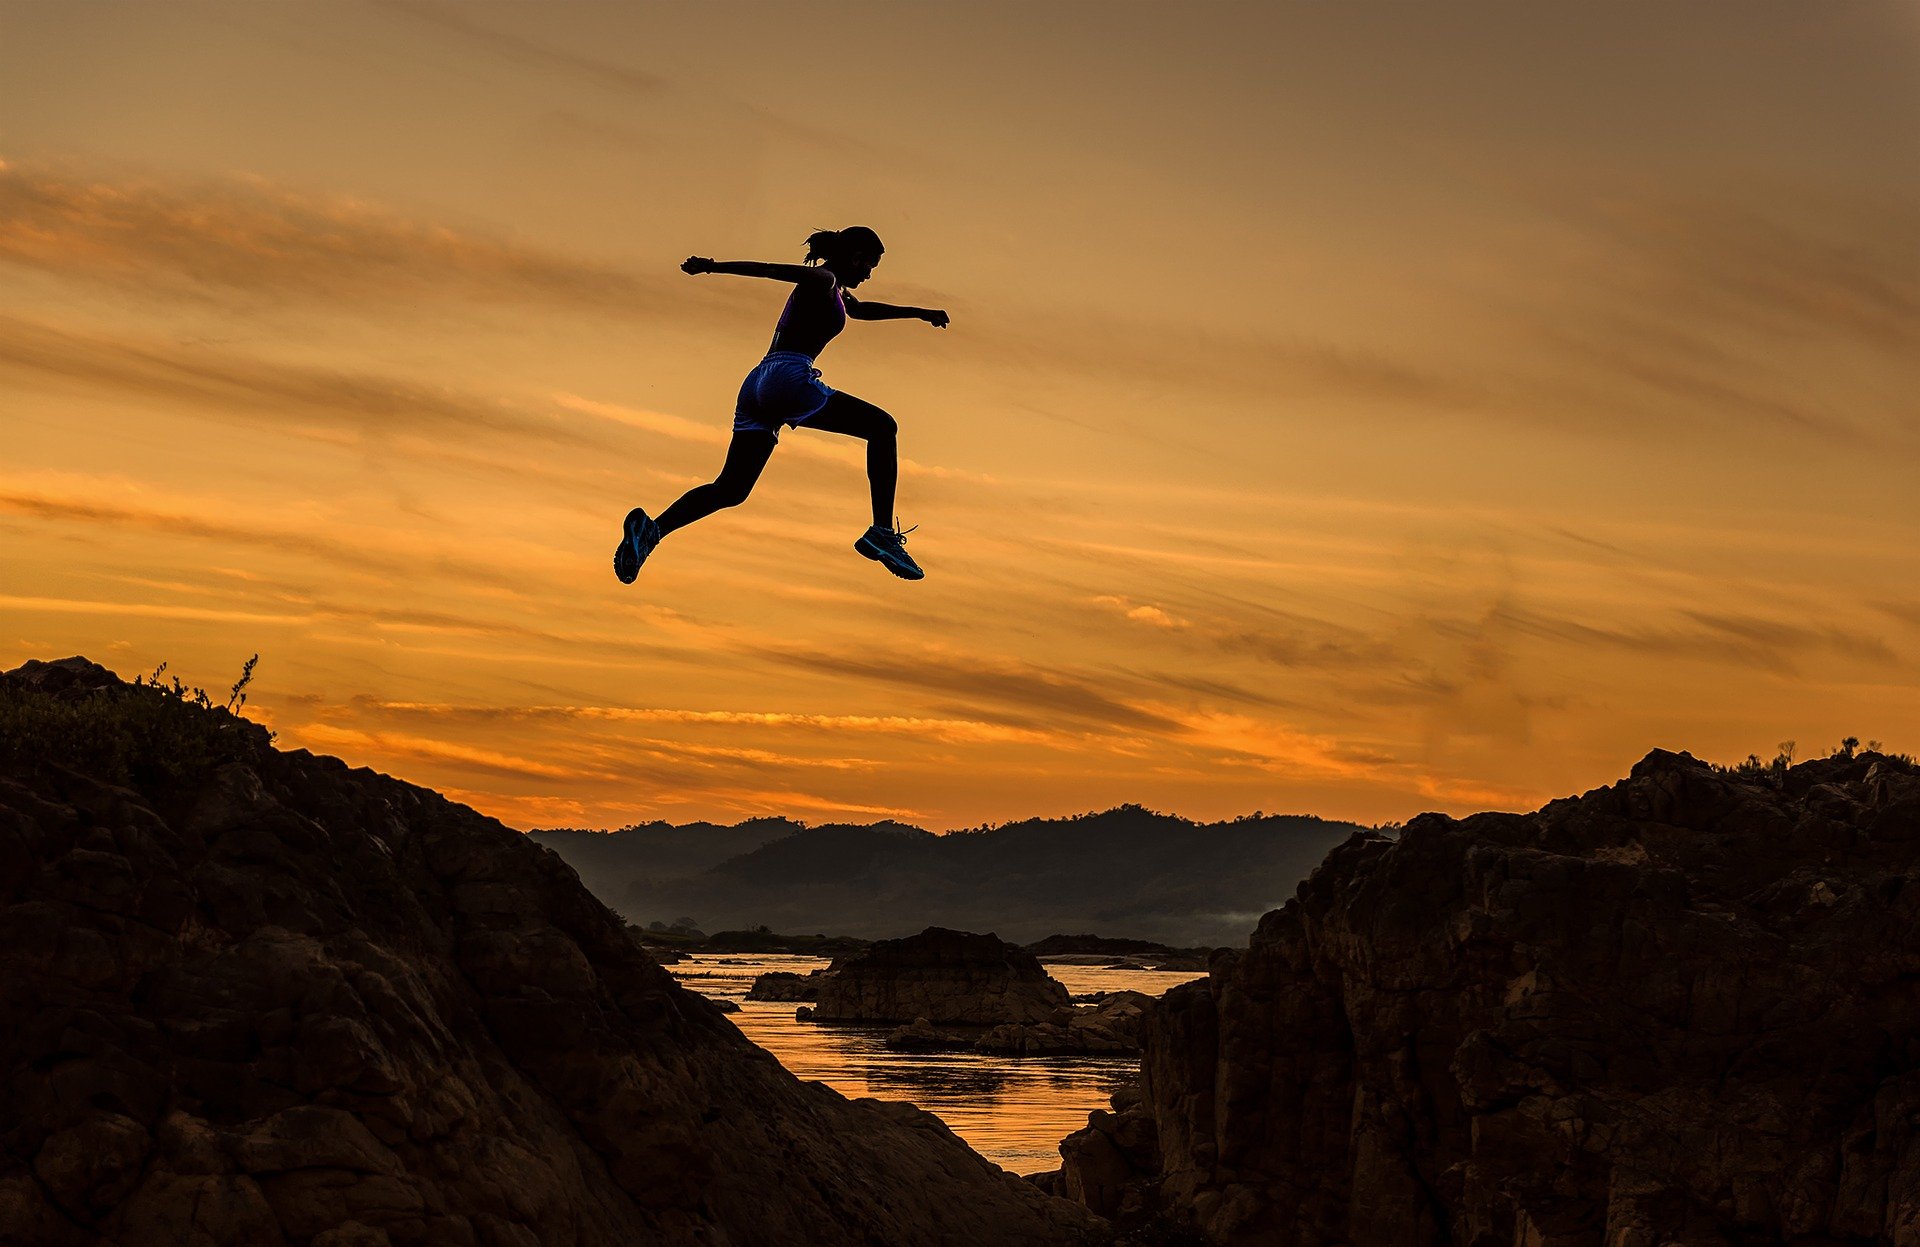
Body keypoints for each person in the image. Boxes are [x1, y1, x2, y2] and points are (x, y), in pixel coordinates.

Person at [613, 226, 949, 585]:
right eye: (870, 265)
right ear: (856, 257)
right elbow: (771, 269)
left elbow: (862, 311)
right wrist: (712, 266)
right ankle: (881, 531)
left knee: (731, 489)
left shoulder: (836, 290)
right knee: (883, 427)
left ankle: (652, 531)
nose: (869, 274)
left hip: (757, 383)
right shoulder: (824, 278)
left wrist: (920, 312)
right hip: (787, 376)